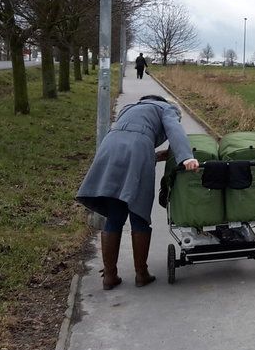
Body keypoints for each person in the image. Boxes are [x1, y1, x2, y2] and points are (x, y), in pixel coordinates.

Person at [76, 95, 199, 290]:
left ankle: (109, 276)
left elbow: (130, 136)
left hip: (110, 147)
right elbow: (173, 130)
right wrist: (186, 157)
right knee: (138, 210)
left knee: (115, 213)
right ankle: (141, 273)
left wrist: (157, 155)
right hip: (138, 149)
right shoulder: (168, 108)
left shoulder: (130, 108)